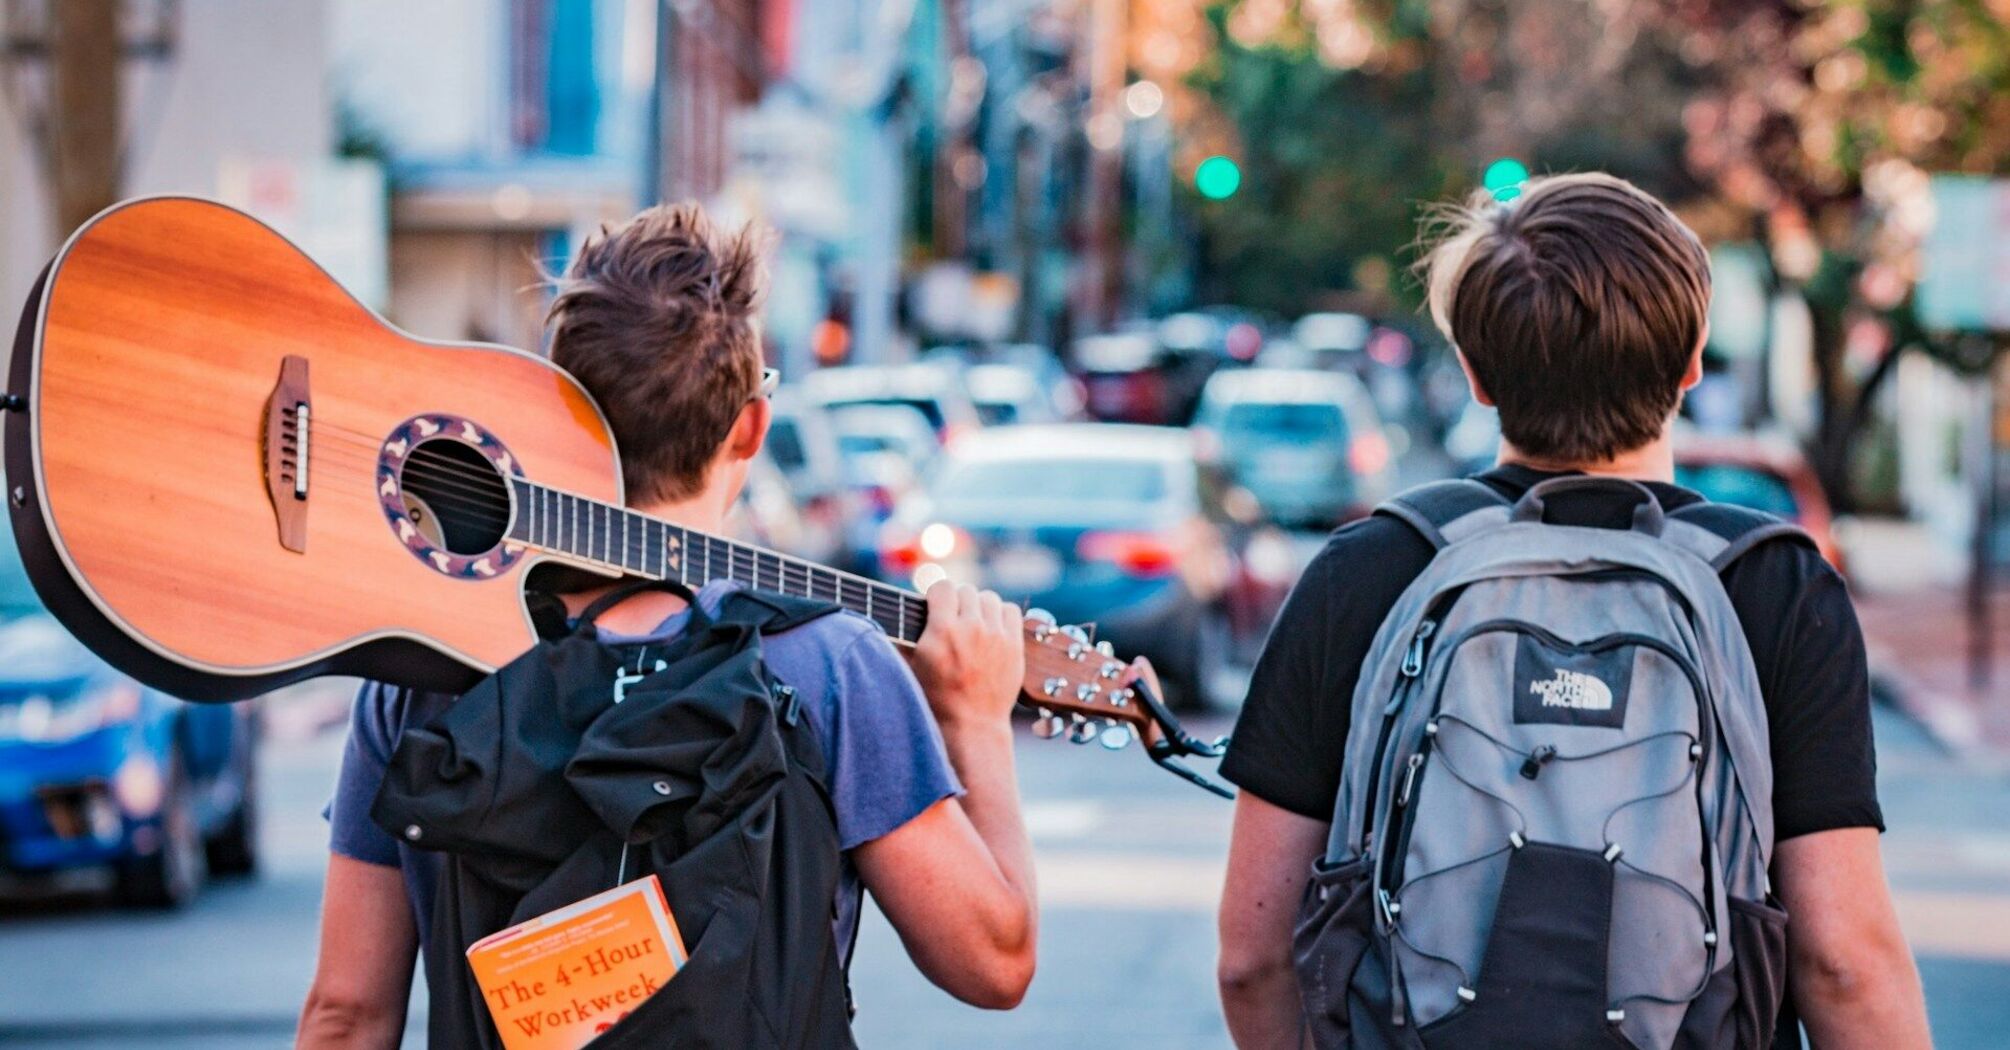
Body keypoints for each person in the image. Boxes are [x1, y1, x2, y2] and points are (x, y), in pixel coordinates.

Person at [1215, 173, 1931, 1048]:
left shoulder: (1370, 571)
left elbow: (1253, 957)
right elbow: (1844, 962)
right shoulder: (1774, 586)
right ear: (1693, 359)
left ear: (1476, 373)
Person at [297, 204, 1037, 1047]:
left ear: (552, 402)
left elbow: (347, 1015)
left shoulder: (429, 666)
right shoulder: (826, 665)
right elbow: (994, 963)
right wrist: (977, 721)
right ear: (751, 427)